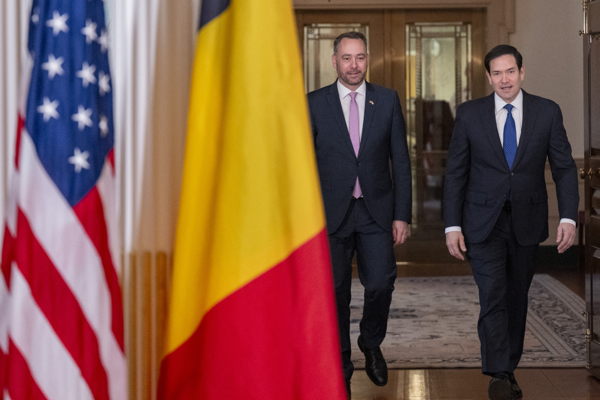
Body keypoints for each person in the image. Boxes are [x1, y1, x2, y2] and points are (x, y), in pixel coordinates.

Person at [443, 44, 579, 400]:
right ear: (488, 77)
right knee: (493, 294)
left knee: (517, 297)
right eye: (497, 73)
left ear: (522, 72)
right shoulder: (469, 114)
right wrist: (452, 225)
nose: (504, 79)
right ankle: (499, 374)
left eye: (510, 71)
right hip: (481, 222)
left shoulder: (546, 112)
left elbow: (565, 168)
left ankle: (507, 367)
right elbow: (455, 173)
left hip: (526, 221)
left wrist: (568, 216)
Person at [307, 31, 411, 397]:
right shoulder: (313, 103)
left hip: (375, 211)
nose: (354, 65)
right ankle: (341, 368)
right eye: (347, 58)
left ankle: (370, 340)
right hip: (329, 215)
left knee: (380, 283)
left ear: (368, 60)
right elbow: (303, 165)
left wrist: (402, 215)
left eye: (360, 57)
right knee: (334, 293)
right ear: (334, 61)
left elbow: (400, 160)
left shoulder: (387, 100)